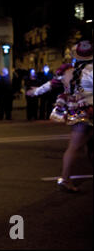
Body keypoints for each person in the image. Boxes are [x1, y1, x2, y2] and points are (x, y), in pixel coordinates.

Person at [27, 40, 93, 192]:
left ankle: (66, 177)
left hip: (75, 111)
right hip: (86, 111)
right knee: (75, 146)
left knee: (85, 144)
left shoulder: (68, 71)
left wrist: (35, 91)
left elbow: (49, 85)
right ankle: (65, 178)